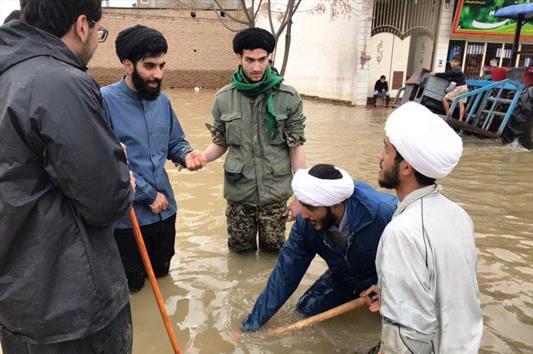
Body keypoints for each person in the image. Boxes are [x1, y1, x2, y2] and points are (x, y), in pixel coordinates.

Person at [0, 0, 135, 353]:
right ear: (81, 25)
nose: (95, 39)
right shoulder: (60, 81)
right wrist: (124, 179)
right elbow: (106, 200)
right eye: (98, 31)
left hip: (16, 305)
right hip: (73, 310)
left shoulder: (8, 74)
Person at [361, 102, 483, 353]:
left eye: (386, 150)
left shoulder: (403, 231)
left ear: (406, 167)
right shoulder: (457, 214)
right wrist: (389, 291)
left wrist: (396, 306)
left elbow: (407, 333)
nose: (379, 157)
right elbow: (446, 285)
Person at [101, 25, 207, 292]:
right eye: (149, 66)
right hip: (127, 221)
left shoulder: (163, 102)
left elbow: (174, 141)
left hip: (165, 215)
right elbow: (106, 164)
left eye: (161, 66)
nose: (157, 74)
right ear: (128, 65)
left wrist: (187, 153)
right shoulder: (103, 102)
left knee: (162, 278)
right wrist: (148, 195)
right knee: (132, 288)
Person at [241, 164, 397, 331]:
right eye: (303, 204)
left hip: (385, 279)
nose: (303, 214)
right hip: (344, 277)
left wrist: (389, 288)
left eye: (311, 208)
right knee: (304, 310)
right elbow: (285, 275)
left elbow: (418, 255)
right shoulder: (305, 224)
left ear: (336, 205)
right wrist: (251, 326)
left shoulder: (383, 212)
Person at [202, 28, 306, 253]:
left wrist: (301, 197)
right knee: (239, 257)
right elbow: (220, 142)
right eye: (250, 60)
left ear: (270, 57)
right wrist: (201, 157)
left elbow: (296, 149)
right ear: (239, 58)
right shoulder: (223, 98)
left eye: (262, 60)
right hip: (240, 195)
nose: (257, 67)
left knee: (274, 257)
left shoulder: (288, 98)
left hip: (275, 196)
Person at [431, 55, 468, 121]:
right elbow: (449, 76)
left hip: (460, 88)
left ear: (459, 63)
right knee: (461, 103)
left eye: (455, 62)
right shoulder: (458, 70)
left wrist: (436, 74)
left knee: (445, 99)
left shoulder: (456, 70)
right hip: (464, 87)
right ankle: (460, 119)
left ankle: (448, 116)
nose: (453, 63)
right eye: (452, 61)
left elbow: (447, 74)